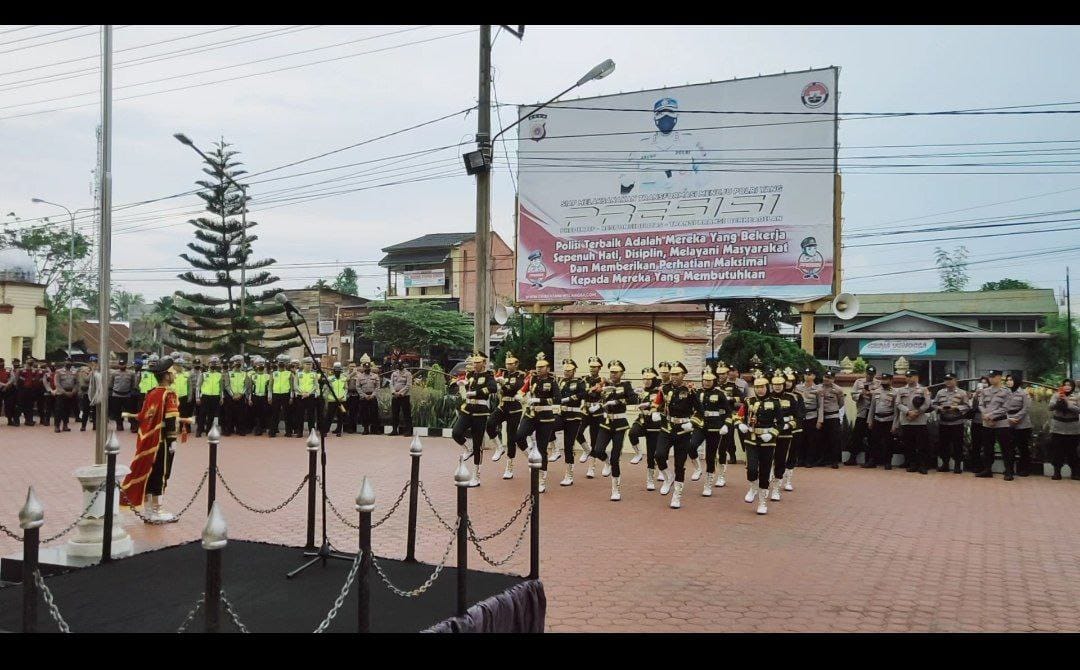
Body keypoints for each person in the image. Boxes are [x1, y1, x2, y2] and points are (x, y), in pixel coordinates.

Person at [119, 357, 188, 523]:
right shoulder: (169, 394)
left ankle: (149, 509)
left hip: (149, 441)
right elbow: (171, 419)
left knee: (150, 473)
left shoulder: (152, 393)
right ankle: (156, 510)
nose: (175, 375)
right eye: (173, 373)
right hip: (162, 441)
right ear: (166, 376)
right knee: (161, 474)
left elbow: (144, 416)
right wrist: (172, 441)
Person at [588, 360, 638, 502]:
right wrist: (596, 397)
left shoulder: (626, 385)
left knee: (616, 457)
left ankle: (615, 489)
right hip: (606, 422)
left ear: (621, 373)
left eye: (616, 372)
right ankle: (607, 461)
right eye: (611, 371)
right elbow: (598, 398)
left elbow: (633, 399)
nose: (613, 374)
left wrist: (617, 401)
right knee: (598, 450)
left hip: (620, 424)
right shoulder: (605, 385)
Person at [651, 361, 698, 509]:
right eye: (672, 374)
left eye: (677, 374)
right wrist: (655, 413)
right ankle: (667, 477)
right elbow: (656, 404)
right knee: (659, 455)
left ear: (683, 375)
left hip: (683, 430)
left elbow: (700, 411)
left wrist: (692, 423)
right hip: (667, 427)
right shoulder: (664, 389)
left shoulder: (690, 390)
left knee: (679, 464)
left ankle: (677, 495)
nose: (674, 377)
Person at [515, 353, 558, 493]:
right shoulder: (532, 378)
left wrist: (540, 400)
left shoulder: (552, 381)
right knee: (519, 436)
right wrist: (520, 396)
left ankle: (542, 478)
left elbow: (557, 399)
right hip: (531, 414)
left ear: (548, 368)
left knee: (542, 448)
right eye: (537, 367)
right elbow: (522, 390)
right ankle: (530, 456)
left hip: (545, 417)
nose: (539, 369)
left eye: (542, 367)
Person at [453, 352, 497, 487]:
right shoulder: (471, 375)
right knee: (456, 433)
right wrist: (462, 383)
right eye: (474, 362)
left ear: (483, 363)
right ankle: (468, 448)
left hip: (480, 412)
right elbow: (468, 385)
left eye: (478, 362)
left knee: (478, 444)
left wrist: (477, 393)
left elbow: (493, 388)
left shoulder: (489, 376)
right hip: (468, 409)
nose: (475, 364)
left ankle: (476, 475)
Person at [692, 363, 732, 497]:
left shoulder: (720, 394)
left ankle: (708, 484)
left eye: (709, 380)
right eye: (705, 380)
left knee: (710, 456)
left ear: (713, 381)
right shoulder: (697, 393)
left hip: (715, 427)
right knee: (691, 446)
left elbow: (728, 412)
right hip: (700, 424)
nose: (707, 382)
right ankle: (698, 468)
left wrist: (725, 424)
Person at [489, 352, 529, 480]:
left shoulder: (520, 375)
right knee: (489, 424)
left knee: (511, 437)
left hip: (514, 409)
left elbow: (516, 387)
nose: (508, 365)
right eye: (507, 363)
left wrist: (504, 384)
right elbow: (496, 388)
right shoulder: (503, 374)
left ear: (516, 364)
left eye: (511, 364)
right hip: (503, 405)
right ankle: (499, 447)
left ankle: (509, 466)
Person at [743, 372, 778, 515]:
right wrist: (741, 425)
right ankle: (753, 486)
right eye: (757, 387)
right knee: (751, 468)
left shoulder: (775, 402)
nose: (759, 389)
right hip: (751, 438)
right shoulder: (749, 401)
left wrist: (771, 434)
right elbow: (741, 416)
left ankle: (762, 502)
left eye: (762, 387)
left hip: (768, 441)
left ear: (767, 387)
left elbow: (781, 423)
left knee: (764, 471)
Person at [629, 366, 664, 491]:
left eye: (649, 379)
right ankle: (638, 453)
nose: (646, 381)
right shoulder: (641, 390)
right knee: (632, 433)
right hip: (643, 420)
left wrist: (649, 405)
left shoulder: (660, 390)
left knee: (652, 453)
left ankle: (651, 478)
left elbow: (663, 404)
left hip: (654, 423)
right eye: (644, 379)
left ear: (654, 379)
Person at [893, 369, 932, 474]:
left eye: (911, 376)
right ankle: (912, 464)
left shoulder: (924, 389)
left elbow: (927, 403)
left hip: (920, 421)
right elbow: (898, 403)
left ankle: (922, 466)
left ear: (916, 377)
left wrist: (917, 412)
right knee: (909, 445)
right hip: (907, 421)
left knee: (922, 445)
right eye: (907, 377)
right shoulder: (901, 390)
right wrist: (908, 412)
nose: (909, 379)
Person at [977, 370, 1014, 480]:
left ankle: (1008, 471)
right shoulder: (985, 391)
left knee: (1005, 448)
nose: (991, 379)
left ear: (999, 377)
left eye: (993, 377)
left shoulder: (1006, 391)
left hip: (1001, 423)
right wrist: (985, 415)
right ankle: (987, 469)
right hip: (987, 424)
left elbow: (1006, 407)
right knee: (987, 448)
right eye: (990, 377)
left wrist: (991, 415)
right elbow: (981, 404)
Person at [770, 369, 800, 501]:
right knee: (768, 458)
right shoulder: (768, 398)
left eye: (780, 384)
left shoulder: (791, 398)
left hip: (785, 432)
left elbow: (798, 416)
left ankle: (776, 487)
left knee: (781, 459)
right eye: (775, 384)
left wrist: (789, 425)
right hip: (769, 432)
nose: (777, 386)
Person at [932, 372, 970, 473]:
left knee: (958, 445)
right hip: (944, 423)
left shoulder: (962, 393)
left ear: (955, 380)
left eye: (950, 379)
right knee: (944, 445)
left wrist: (956, 407)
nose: (948, 382)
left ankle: (957, 465)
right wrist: (940, 408)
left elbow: (967, 406)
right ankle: (945, 464)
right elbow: (934, 404)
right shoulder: (940, 392)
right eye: (946, 380)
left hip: (957, 422)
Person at [845, 366, 879, 465]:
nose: (870, 376)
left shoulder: (878, 383)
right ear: (866, 373)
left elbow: (880, 395)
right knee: (856, 435)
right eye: (868, 374)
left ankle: (871, 459)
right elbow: (853, 395)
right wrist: (861, 394)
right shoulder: (858, 382)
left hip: (872, 413)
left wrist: (871, 393)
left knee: (872, 437)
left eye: (872, 374)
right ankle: (852, 457)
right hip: (862, 412)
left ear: (874, 374)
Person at [1048, 379, 1080, 480]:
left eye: (1069, 385)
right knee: (1057, 451)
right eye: (1065, 385)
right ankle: (1057, 472)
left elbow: (1078, 409)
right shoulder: (1056, 395)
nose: (1067, 387)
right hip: (1058, 427)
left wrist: (1067, 403)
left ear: (1073, 387)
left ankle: (1075, 472)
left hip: (1073, 428)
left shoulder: (1077, 396)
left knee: (1072, 451)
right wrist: (1059, 401)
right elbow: (1050, 407)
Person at [865, 372, 897, 469]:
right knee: (874, 441)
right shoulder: (876, 392)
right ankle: (872, 461)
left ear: (891, 381)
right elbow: (872, 407)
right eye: (883, 379)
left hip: (889, 420)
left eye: (886, 380)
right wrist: (870, 421)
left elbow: (896, 410)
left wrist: (895, 424)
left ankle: (888, 462)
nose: (884, 381)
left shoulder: (895, 393)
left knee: (888, 442)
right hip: (877, 420)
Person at [1003, 373, 1033, 477]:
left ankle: (1024, 469)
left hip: (1022, 424)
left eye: (1011, 379)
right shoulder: (1004, 392)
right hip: (1007, 422)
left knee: (1023, 448)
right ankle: (1009, 469)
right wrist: (1008, 418)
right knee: (1009, 447)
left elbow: (1026, 408)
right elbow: (1001, 406)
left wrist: (1016, 418)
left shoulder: (1024, 393)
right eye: (1007, 380)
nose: (1009, 382)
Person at [721, 364, 751, 464]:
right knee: (729, 436)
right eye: (729, 371)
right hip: (728, 413)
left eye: (733, 371)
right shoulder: (723, 385)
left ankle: (747, 455)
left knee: (743, 434)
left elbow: (746, 398)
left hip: (740, 412)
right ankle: (732, 456)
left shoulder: (743, 383)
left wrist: (734, 400)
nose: (730, 373)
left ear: (737, 372)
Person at [817, 371, 846, 468]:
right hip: (821, 417)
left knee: (834, 440)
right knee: (821, 439)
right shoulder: (818, 388)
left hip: (833, 417)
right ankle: (822, 459)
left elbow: (841, 403)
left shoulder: (838, 389)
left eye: (829, 377)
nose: (826, 379)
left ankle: (834, 461)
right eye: (825, 377)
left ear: (833, 379)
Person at [580, 356, 605, 465]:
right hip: (585, 410)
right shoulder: (583, 379)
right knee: (578, 432)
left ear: (599, 368)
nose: (592, 369)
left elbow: (604, 397)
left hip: (597, 411)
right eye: (591, 366)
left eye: (595, 367)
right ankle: (586, 449)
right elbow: (581, 393)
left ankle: (592, 467)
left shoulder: (603, 381)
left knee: (594, 439)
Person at [795, 368, 820, 467]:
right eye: (805, 374)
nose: (807, 376)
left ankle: (809, 460)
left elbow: (820, 405)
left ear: (813, 376)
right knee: (800, 439)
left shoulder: (818, 389)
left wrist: (820, 419)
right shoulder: (798, 388)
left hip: (812, 416)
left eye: (809, 374)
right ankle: (800, 459)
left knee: (811, 440)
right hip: (801, 416)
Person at [195, 356, 224, 438]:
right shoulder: (203, 374)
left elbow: (221, 387)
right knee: (202, 415)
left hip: (215, 397)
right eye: (212, 363)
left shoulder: (219, 375)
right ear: (208, 364)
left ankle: (208, 430)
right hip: (205, 396)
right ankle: (199, 431)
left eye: (215, 363)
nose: (213, 365)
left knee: (211, 416)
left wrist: (222, 397)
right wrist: (197, 397)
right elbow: (198, 387)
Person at [968, 376, 991, 474]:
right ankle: (976, 466)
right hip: (976, 422)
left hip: (988, 423)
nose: (983, 385)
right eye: (981, 383)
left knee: (987, 445)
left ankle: (986, 467)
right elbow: (972, 408)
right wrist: (975, 396)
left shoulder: (991, 394)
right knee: (976, 445)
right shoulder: (976, 395)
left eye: (985, 383)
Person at [222, 355, 249, 437]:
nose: (238, 366)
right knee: (229, 414)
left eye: (239, 364)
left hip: (241, 396)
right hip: (231, 396)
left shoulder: (245, 374)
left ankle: (240, 430)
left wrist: (241, 394)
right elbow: (227, 385)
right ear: (233, 364)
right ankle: (229, 430)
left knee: (241, 414)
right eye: (236, 364)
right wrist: (232, 395)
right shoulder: (228, 373)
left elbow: (246, 385)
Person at [269, 354, 295, 438]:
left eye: (283, 363)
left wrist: (291, 397)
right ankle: (272, 432)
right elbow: (270, 386)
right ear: (277, 363)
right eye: (280, 362)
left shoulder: (289, 374)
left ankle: (289, 432)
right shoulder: (273, 373)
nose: (281, 364)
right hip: (275, 394)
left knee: (287, 414)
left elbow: (292, 386)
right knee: (274, 414)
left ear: (286, 364)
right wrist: (269, 397)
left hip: (286, 394)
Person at [109, 359, 137, 433]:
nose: (122, 366)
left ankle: (132, 425)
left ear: (126, 364)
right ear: (118, 365)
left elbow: (133, 384)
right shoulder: (114, 373)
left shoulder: (131, 373)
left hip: (127, 395)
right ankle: (119, 425)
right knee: (117, 411)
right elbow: (111, 384)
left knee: (130, 411)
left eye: (123, 364)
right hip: (116, 395)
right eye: (120, 364)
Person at [51, 358, 78, 432]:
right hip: (61, 393)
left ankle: (65, 425)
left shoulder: (74, 372)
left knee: (67, 410)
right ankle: (57, 426)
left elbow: (77, 383)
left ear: (72, 363)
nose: (68, 363)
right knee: (59, 410)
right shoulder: (59, 371)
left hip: (71, 392)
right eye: (66, 361)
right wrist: (64, 392)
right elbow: (57, 383)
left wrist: (73, 391)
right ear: (64, 362)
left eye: (69, 361)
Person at [355, 357, 381, 436]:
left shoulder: (375, 376)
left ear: (370, 368)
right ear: (363, 368)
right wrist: (364, 395)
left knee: (374, 413)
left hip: (373, 396)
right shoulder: (359, 377)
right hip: (364, 397)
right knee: (364, 414)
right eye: (365, 367)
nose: (367, 369)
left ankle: (375, 429)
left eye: (368, 367)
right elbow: (358, 387)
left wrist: (373, 395)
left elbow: (378, 387)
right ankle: (365, 429)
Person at [295, 357, 319, 438]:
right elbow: (295, 385)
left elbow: (316, 385)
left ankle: (311, 432)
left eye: (310, 364)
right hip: (300, 396)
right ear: (303, 365)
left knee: (311, 415)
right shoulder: (298, 374)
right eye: (307, 364)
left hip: (310, 396)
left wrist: (309, 393)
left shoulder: (314, 374)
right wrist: (302, 393)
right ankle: (299, 432)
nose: (308, 366)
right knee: (299, 415)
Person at [389, 361, 413, 436]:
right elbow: (391, 384)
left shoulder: (408, 374)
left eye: (400, 364)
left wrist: (400, 393)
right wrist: (393, 392)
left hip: (404, 396)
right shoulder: (394, 373)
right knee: (395, 413)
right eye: (398, 365)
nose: (399, 366)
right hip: (395, 396)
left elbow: (408, 385)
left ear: (403, 365)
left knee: (406, 414)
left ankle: (408, 431)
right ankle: (394, 430)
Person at [248, 357, 271, 436]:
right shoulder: (253, 376)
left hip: (264, 397)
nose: (260, 367)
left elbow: (270, 388)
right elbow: (250, 388)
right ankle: (257, 428)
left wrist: (269, 397)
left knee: (264, 413)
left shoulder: (268, 376)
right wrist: (250, 399)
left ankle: (262, 427)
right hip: (255, 396)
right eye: (258, 365)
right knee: (256, 413)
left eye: (262, 365)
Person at [324, 362, 349, 437]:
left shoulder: (343, 378)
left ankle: (339, 431)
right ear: (334, 371)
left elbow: (346, 388)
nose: (337, 371)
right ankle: (325, 431)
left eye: (339, 370)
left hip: (341, 400)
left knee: (341, 416)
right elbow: (327, 389)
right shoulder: (330, 378)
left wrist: (343, 396)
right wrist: (332, 397)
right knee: (329, 416)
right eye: (336, 370)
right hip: (332, 400)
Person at [0, 358, 16, 426]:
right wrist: (3, 385)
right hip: (0, 388)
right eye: (0, 363)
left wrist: (7, 385)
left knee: (9, 405)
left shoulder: (9, 369)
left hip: (8, 389)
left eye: (2, 362)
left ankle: (10, 420)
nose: (1, 364)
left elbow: (13, 377)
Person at [345, 361, 360, 434]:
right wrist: (351, 375)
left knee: (353, 412)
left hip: (356, 395)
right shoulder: (345, 374)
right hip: (346, 395)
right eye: (351, 366)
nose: (352, 368)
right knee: (344, 412)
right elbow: (344, 380)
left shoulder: (359, 375)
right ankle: (346, 427)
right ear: (348, 367)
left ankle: (353, 428)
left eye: (354, 366)